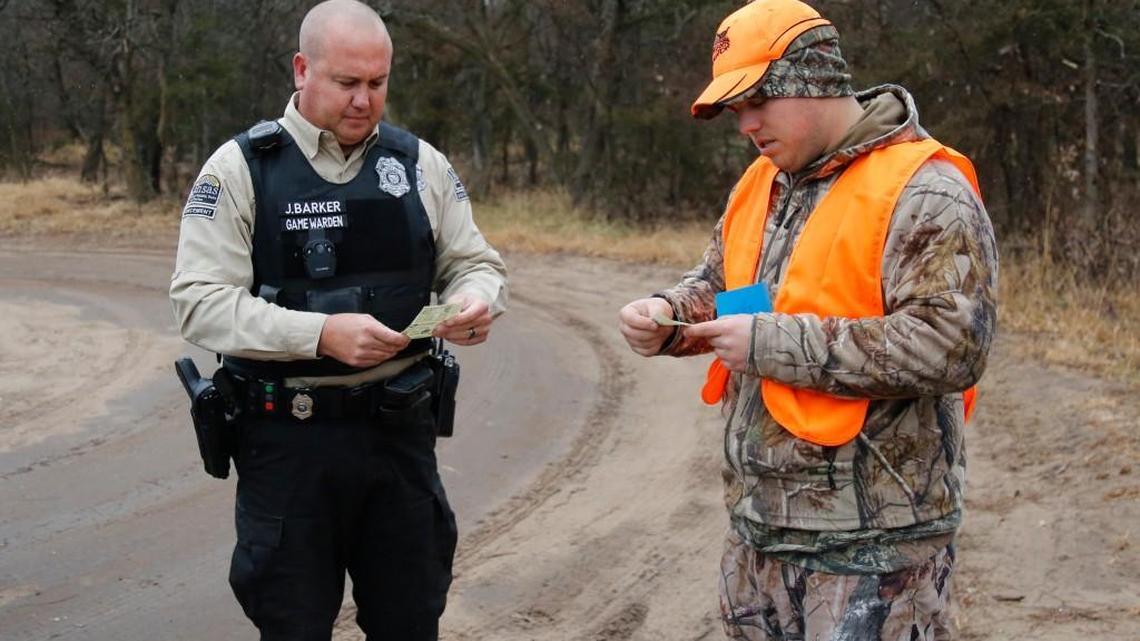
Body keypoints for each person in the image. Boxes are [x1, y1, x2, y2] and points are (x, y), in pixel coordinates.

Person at [618, 0, 997, 638]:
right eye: (736, 110)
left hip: (875, 547)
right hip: (758, 533)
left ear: (811, 80)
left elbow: (953, 345)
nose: (747, 125)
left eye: (757, 102)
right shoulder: (762, 184)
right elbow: (722, 284)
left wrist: (771, 343)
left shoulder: (925, 190)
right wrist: (668, 315)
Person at [169, 1, 508, 639]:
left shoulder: (419, 165)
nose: (364, 100)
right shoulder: (242, 169)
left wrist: (476, 298)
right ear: (302, 69)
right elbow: (197, 302)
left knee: (410, 618)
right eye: (347, 83)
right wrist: (318, 334)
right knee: (291, 620)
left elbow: (475, 263)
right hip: (289, 446)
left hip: (400, 442)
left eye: (377, 84)